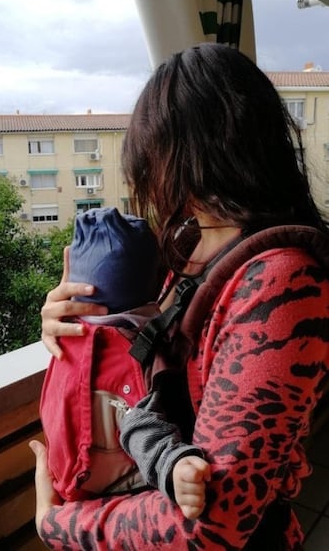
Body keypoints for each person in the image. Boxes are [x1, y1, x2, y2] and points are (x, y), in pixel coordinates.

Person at [30, 43, 329, 550]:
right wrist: (69, 318)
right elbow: (145, 345)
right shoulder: (193, 246)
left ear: (189, 154)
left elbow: (213, 524)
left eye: (154, 157)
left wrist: (57, 524)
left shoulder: (282, 284)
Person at [39, 206, 211, 517]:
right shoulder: (82, 337)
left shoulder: (145, 350)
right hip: (93, 495)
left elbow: (142, 424)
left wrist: (172, 464)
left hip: (113, 502)